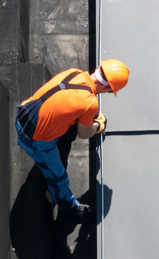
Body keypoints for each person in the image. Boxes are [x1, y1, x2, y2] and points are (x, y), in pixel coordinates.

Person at [15, 59, 129, 219]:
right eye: (110, 91)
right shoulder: (89, 103)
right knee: (58, 177)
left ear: (98, 68)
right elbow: (84, 133)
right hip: (34, 140)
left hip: (23, 113)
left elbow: (67, 101)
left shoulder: (74, 73)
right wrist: (98, 125)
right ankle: (69, 207)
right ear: (107, 87)